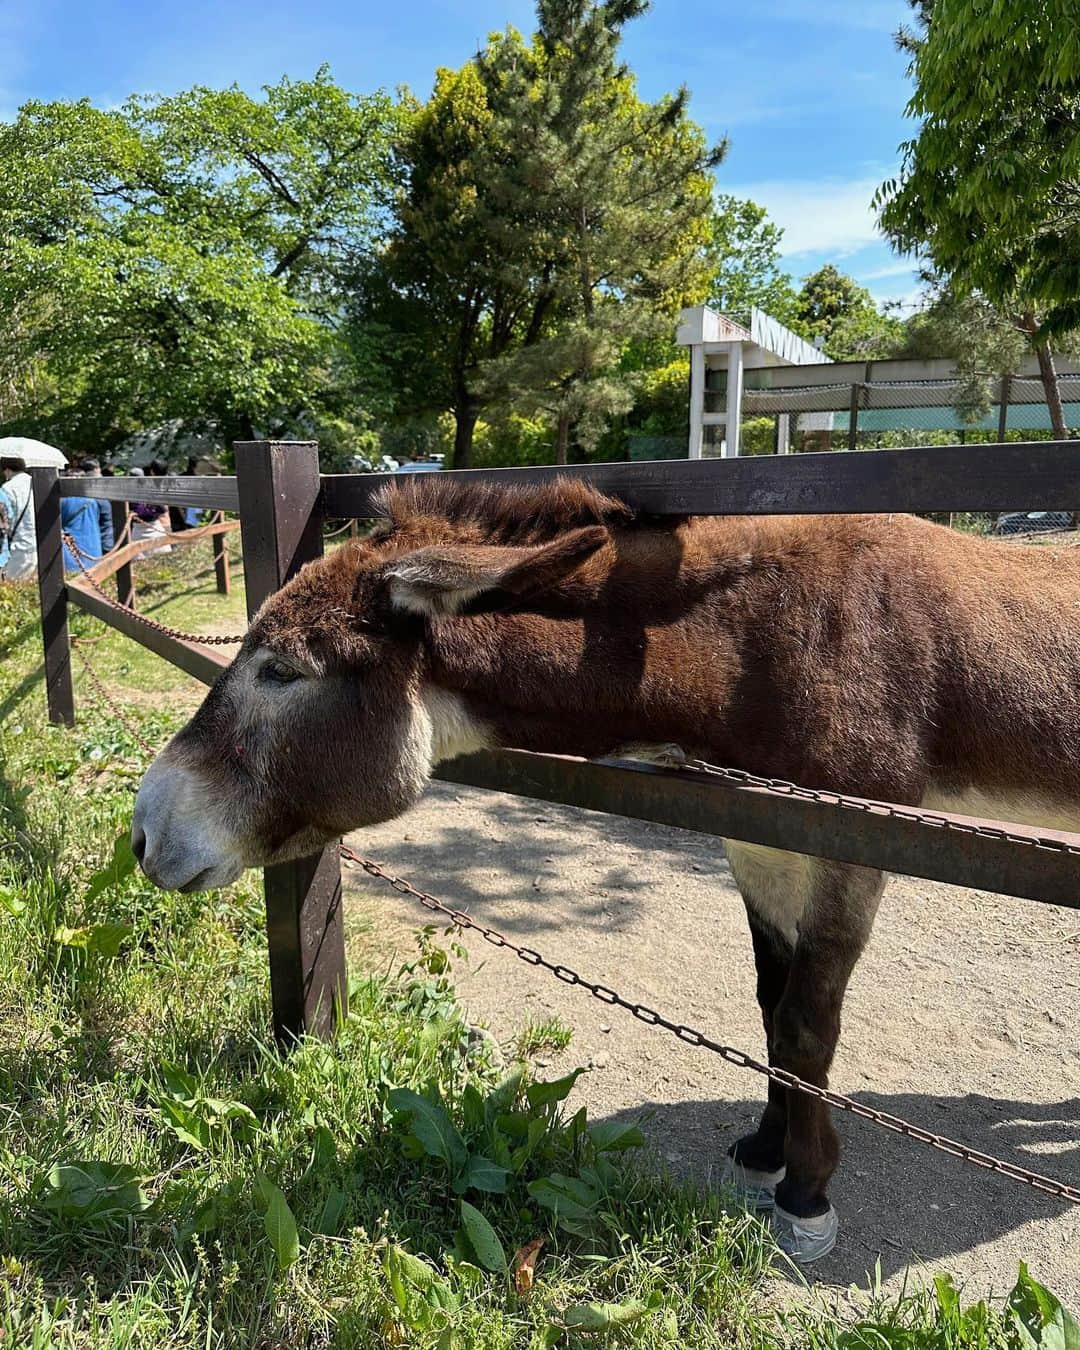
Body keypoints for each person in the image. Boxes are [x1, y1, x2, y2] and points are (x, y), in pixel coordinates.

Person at [61, 458, 115, 572]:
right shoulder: (96, 497)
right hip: (94, 551)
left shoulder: (62, 501)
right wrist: (108, 549)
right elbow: (106, 524)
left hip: (70, 554)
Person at [0, 455, 37, 580]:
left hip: (18, 548)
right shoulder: (37, 482)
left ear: (7, 470)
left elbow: (5, 520)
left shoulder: (8, 488)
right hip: (40, 545)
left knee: (14, 587)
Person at [130, 461, 172, 557]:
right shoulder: (165, 482)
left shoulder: (151, 486)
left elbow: (160, 508)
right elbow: (161, 509)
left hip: (154, 526)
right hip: (158, 525)